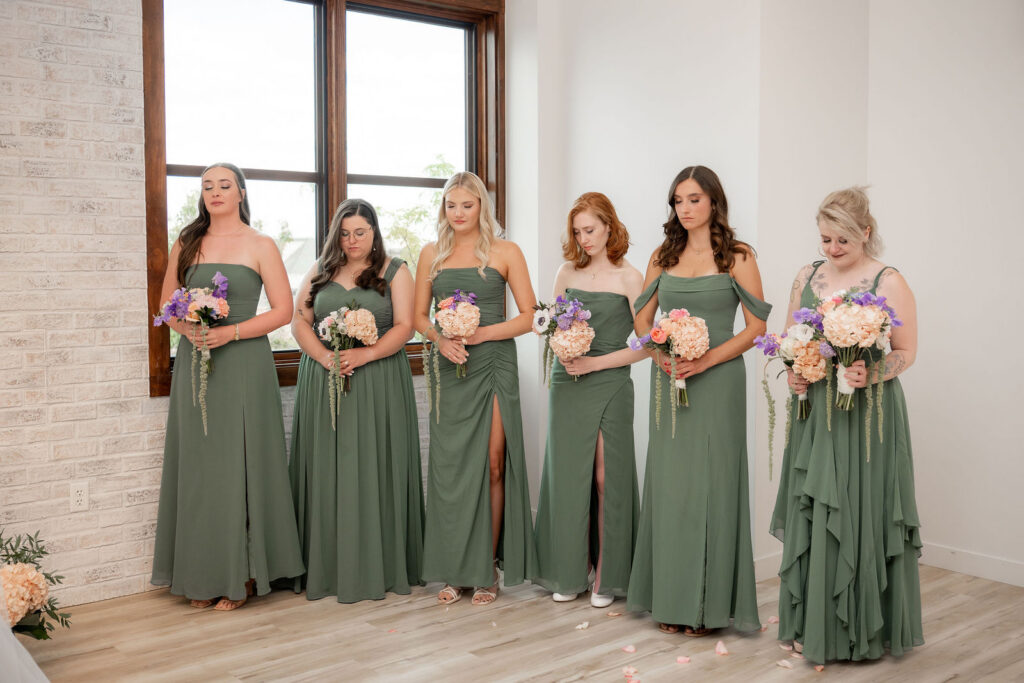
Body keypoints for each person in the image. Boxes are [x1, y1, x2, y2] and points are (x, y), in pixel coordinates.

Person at [770, 186, 922, 665]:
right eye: (825, 240)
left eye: (842, 241)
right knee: (815, 507)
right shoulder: (807, 276)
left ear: (866, 233)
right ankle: (812, 623)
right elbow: (795, 341)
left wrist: (869, 371)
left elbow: (906, 352)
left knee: (858, 512)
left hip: (868, 416)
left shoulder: (888, 280)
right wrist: (795, 372)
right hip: (816, 409)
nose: (832, 250)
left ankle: (859, 631)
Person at [152, 163, 304, 610]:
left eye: (224, 185)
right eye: (206, 186)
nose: (215, 192)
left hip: (243, 363)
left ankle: (245, 575)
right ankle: (203, 573)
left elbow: (282, 311)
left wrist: (230, 333)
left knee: (243, 465)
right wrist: (190, 330)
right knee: (201, 470)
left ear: (240, 192)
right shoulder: (187, 241)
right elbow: (166, 304)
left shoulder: (261, 244)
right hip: (197, 363)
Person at [626, 165, 770, 635]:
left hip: (718, 381)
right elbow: (642, 321)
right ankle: (669, 599)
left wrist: (705, 361)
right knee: (671, 488)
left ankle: (707, 607)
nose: (684, 209)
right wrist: (663, 351)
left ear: (713, 201)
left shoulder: (738, 256)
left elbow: (756, 329)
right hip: (669, 379)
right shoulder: (661, 255)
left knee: (712, 487)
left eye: (693, 200)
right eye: (677, 201)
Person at [288, 198, 424, 603]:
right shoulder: (321, 269)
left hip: (378, 380)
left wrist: (365, 354)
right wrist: (324, 357)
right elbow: (299, 320)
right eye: (345, 233)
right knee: (329, 468)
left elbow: (406, 327)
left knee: (373, 466)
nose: (352, 240)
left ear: (374, 232)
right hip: (323, 378)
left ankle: (376, 564)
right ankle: (327, 565)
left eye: (360, 232)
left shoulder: (395, 270)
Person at [414, 171, 537, 605]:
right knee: (452, 470)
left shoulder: (506, 251)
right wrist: (442, 339)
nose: (459, 213)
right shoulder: (432, 253)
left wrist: (482, 333)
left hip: (494, 364)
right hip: (451, 367)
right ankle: (455, 569)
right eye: (451, 205)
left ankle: (487, 569)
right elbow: (418, 318)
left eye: (467, 205)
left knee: (493, 463)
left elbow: (530, 316)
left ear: (482, 206)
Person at [532, 192, 645, 608]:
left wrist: (596, 365)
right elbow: (555, 327)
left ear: (609, 226)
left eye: (591, 230)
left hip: (610, 381)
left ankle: (606, 574)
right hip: (568, 382)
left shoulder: (630, 278)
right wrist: (562, 348)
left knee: (603, 478)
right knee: (569, 476)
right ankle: (569, 570)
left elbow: (648, 345)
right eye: (578, 232)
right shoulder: (566, 272)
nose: (584, 239)